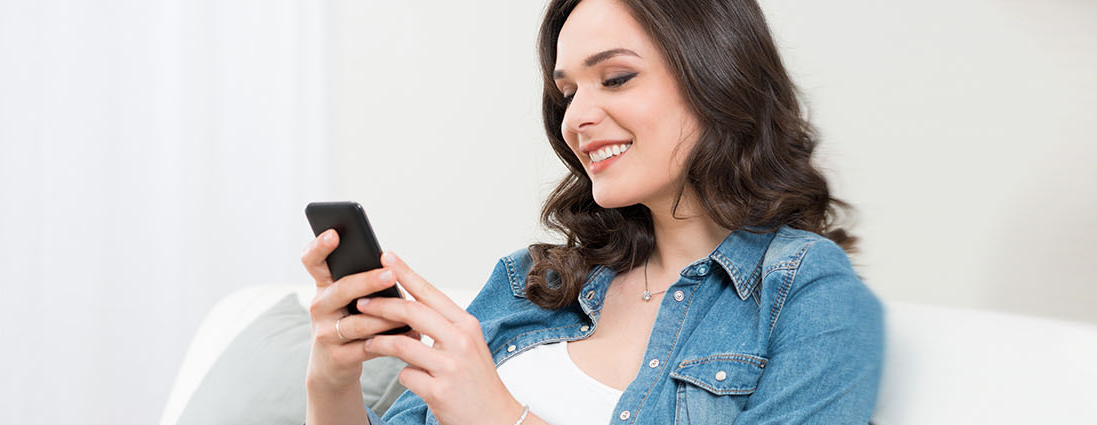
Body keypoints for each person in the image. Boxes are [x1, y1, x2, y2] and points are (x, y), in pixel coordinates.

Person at [301, 0, 883, 423]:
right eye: (567, 92)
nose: (575, 117)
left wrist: (501, 417)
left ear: (719, 78)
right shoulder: (531, 281)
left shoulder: (805, 291)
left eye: (616, 78)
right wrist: (332, 381)